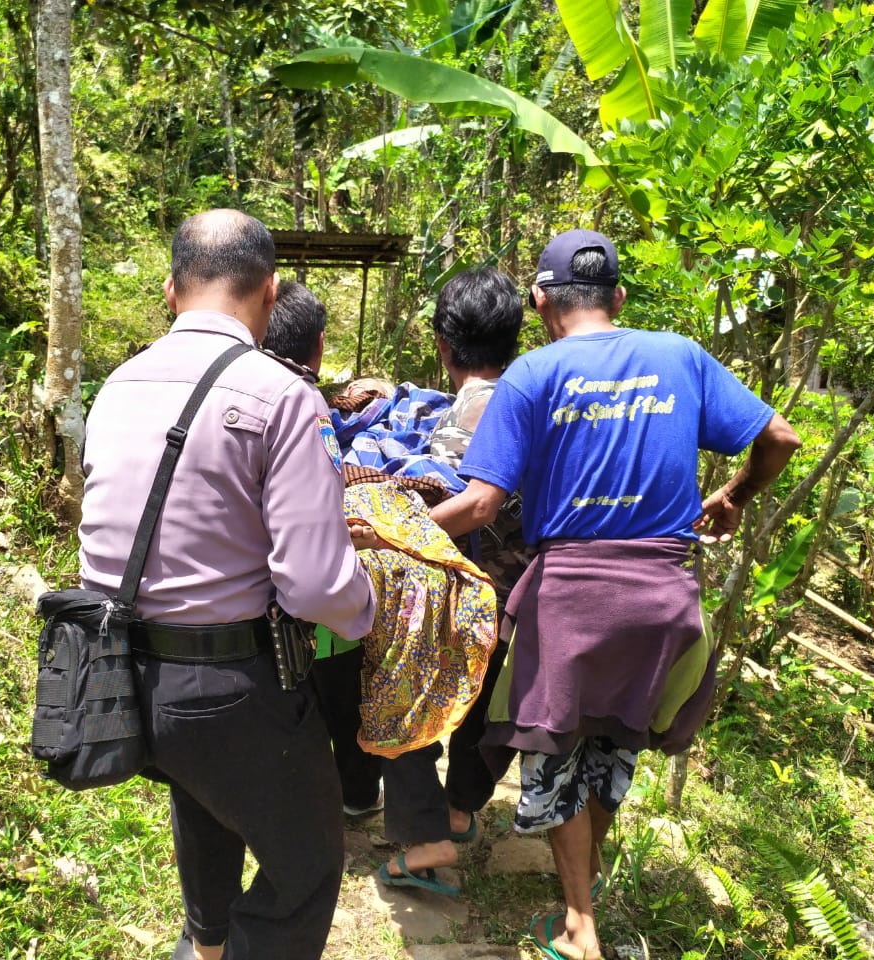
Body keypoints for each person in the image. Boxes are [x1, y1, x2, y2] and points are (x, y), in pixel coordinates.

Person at [421, 230, 801, 959]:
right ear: (619, 297)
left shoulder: (533, 374)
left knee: (557, 748)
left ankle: (579, 924)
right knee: (614, 741)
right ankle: (584, 883)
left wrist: (380, 531)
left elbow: (480, 504)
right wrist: (737, 493)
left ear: (539, 302)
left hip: (570, 600)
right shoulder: (680, 356)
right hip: (663, 596)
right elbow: (778, 436)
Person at [78, 211, 377, 960]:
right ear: (270, 294)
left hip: (124, 677)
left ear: (171, 289)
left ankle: (205, 942)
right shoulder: (280, 396)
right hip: (233, 684)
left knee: (204, 795)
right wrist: (367, 605)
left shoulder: (117, 384)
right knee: (306, 867)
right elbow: (316, 587)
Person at [261, 280, 385, 818]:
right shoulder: (304, 406)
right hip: (318, 615)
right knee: (343, 699)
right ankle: (355, 796)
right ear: (318, 345)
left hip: (251, 607)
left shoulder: (237, 390)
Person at [426, 266, 530, 844]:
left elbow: (472, 504)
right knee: (490, 701)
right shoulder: (530, 398)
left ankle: (448, 812)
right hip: (521, 592)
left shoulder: (469, 409)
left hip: (476, 590)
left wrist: (389, 530)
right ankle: (461, 804)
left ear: (443, 344)